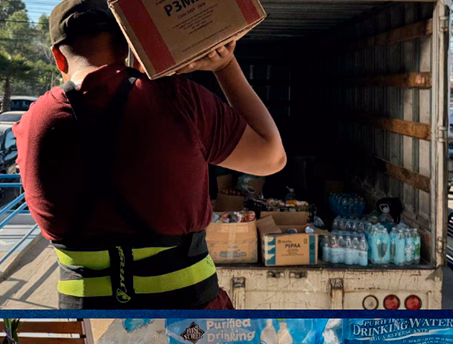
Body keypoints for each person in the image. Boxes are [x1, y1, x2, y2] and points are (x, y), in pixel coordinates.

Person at [15, 0, 286, 309]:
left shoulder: (32, 124)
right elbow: (271, 156)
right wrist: (225, 66)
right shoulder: (176, 98)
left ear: (58, 58)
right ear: (128, 44)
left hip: (87, 317)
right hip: (188, 322)